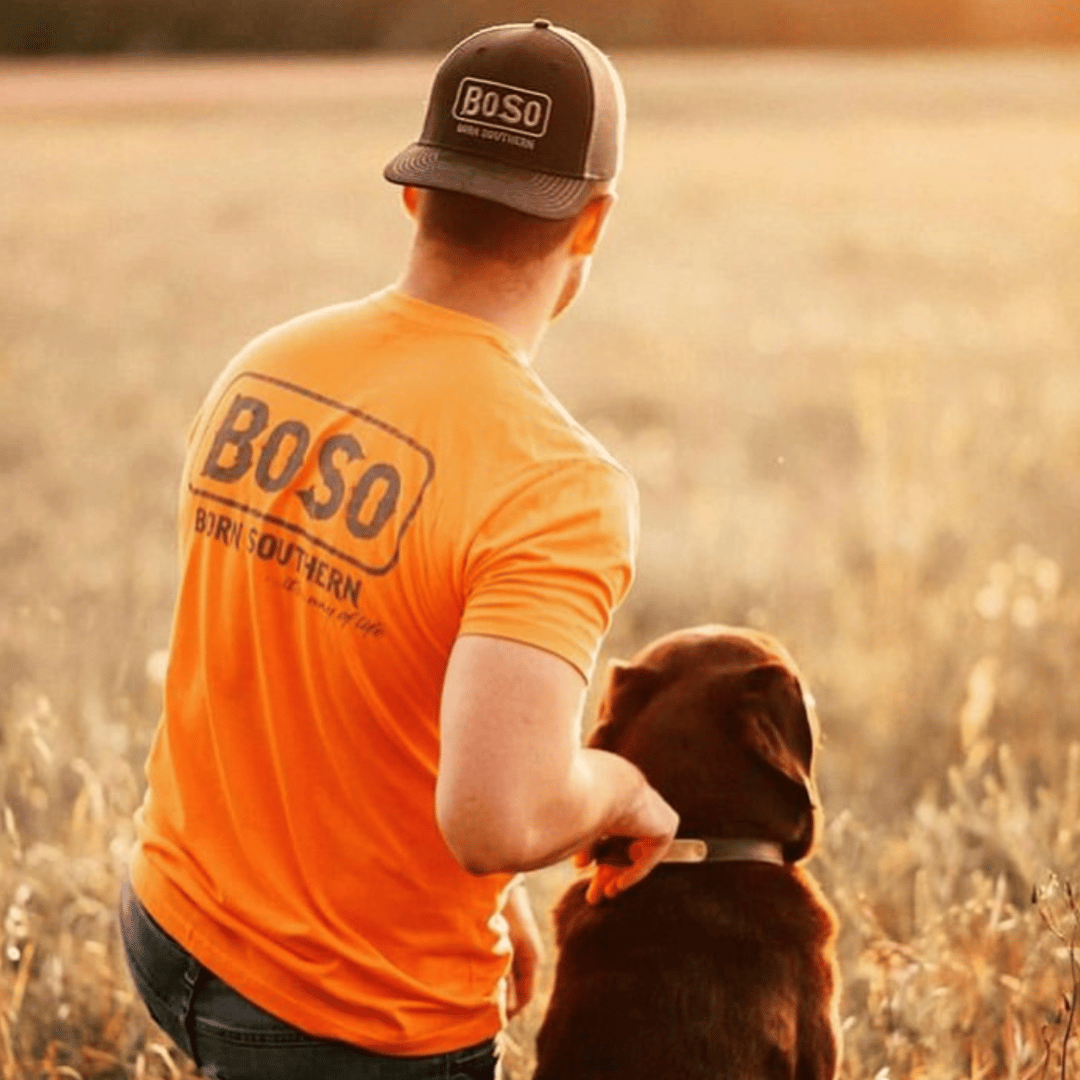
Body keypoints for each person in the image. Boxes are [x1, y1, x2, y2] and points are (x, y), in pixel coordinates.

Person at [119, 18, 678, 1080]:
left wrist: (490, 891)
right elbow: (495, 814)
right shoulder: (556, 485)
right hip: (349, 1017)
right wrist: (617, 791)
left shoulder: (268, 365)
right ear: (593, 222)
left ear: (416, 192)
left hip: (169, 923)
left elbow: (337, 685)